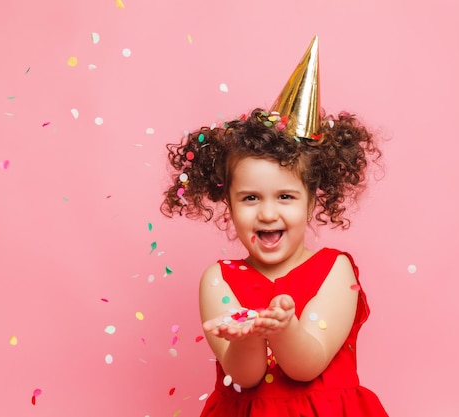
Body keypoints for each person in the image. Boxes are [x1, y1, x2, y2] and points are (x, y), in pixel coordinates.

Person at [161, 36, 389, 416]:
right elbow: (244, 378)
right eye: (250, 198)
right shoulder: (218, 280)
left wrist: (282, 329)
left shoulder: (335, 269)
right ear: (228, 204)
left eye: (285, 197)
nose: (267, 214)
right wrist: (249, 337)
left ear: (312, 200)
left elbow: (307, 365)